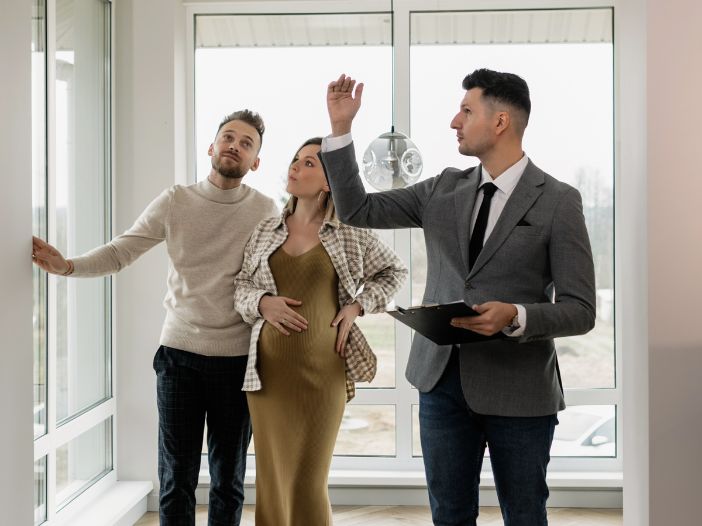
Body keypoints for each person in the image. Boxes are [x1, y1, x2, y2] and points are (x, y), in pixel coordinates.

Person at [322, 71, 596, 526]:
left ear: (501, 121)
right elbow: (357, 209)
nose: (455, 120)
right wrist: (340, 130)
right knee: (449, 514)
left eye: (466, 111)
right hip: (441, 384)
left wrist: (518, 315)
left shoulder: (558, 202)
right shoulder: (441, 189)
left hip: (520, 390)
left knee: (525, 513)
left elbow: (581, 309)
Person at [31, 110, 279, 526]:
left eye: (247, 142)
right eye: (229, 137)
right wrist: (67, 266)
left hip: (238, 361)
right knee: (176, 477)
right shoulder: (176, 200)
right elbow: (120, 251)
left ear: (255, 161)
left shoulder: (265, 210)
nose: (235, 145)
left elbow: (281, 272)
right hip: (179, 356)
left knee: (228, 480)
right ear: (211, 146)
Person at [233, 137, 407, 526]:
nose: (296, 167)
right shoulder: (264, 230)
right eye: (295, 160)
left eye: (309, 163)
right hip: (267, 379)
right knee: (272, 481)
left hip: (323, 375)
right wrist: (262, 302)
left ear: (330, 181)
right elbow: (241, 287)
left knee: (309, 481)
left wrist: (357, 306)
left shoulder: (349, 232)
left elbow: (395, 271)